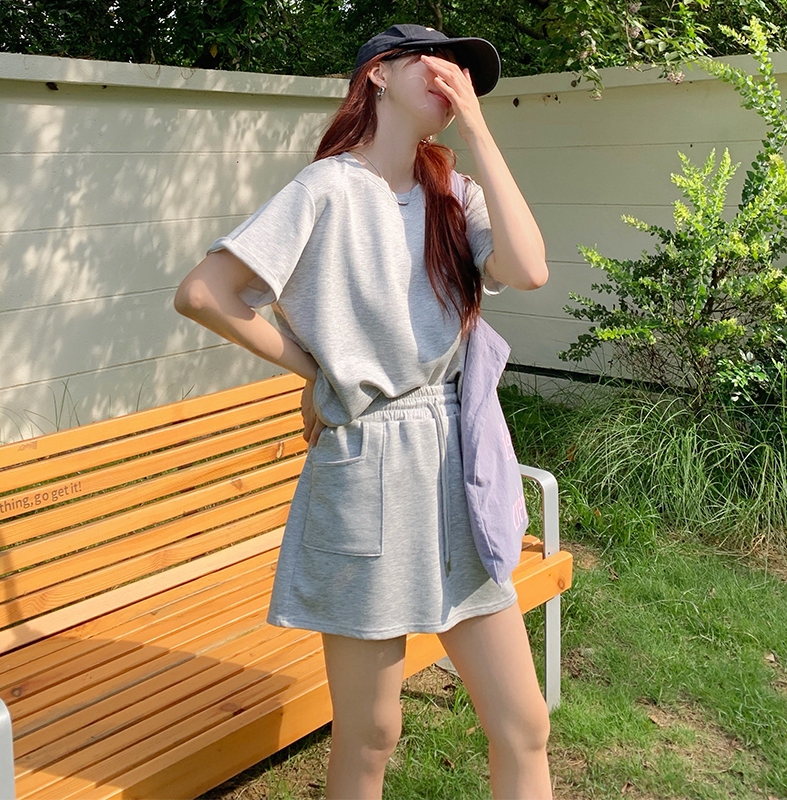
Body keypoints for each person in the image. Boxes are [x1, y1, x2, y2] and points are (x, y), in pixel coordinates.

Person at [174, 22, 551, 800]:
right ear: (378, 74)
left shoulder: (455, 193)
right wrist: (317, 370)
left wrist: (479, 129)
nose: (452, 79)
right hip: (366, 467)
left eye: (464, 73)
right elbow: (205, 292)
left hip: (457, 462)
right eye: (436, 62)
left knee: (524, 725)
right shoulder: (326, 189)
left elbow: (529, 269)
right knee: (371, 734)